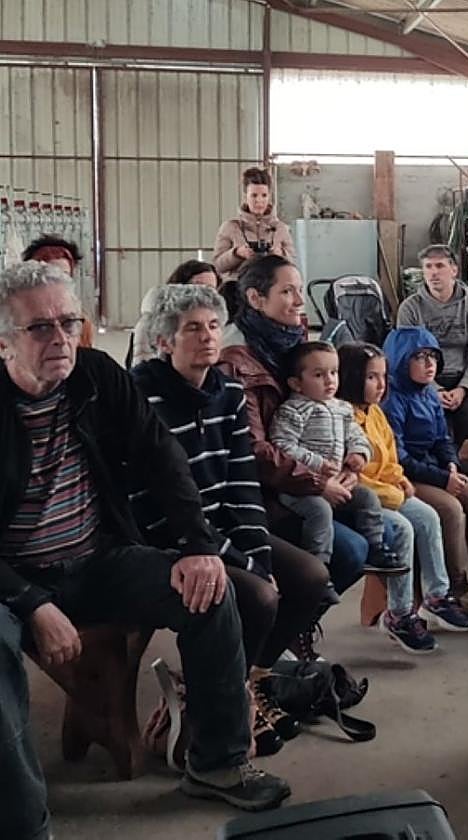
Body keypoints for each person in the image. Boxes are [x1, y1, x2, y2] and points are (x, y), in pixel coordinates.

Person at [0, 262, 290, 833]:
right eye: (40, 328)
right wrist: (31, 601)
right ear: (3, 340)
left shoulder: (95, 376)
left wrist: (198, 545)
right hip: (11, 581)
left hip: (96, 558)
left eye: (70, 322)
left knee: (213, 592)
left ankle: (217, 762)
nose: (61, 339)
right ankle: (24, 822)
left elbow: (161, 456)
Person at [130, 283, 328, 755]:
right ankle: (215, 706)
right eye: (192, 329)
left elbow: (242, 485)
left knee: (311, 578)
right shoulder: (141, 398)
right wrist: (243, 562)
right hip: (166, 539)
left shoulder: (229, 393)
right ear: (163, 340)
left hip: (220, 527)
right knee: (259, 596)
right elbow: (149, 503)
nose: (207, 337)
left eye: (214, 325)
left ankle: (238, 682)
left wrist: (256, 554)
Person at [218, 255, 369, 617]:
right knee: (349, 552)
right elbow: (253, 451)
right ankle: (281, 633)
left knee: (386, 529)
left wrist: (350, 464)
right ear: (256, 298)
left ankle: (294, 625)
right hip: (261, 492)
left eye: (300, 290)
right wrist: (318, 481)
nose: (300, 301)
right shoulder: (235, 360)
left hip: (300, 476)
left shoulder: (288, 342)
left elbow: (330, 415)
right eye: (287, 291)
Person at [336, 342, 468, 650]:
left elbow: (390, 458)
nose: (381, 384)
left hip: (389, 490)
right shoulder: (342, 419)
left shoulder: (375, 412)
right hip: (363, 501)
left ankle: (437, 596)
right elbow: (357, 477)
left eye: (383, 376)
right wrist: (394, 491)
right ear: (351, 377)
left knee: (428, 517)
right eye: (371, 377)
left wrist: (400, 479)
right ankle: (399, 613)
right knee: (402, 528)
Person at [383, 327, 468, 619]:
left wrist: (451, 465)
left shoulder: (429, 394)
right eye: (420, 357)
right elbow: (398, 457)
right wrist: (443, 479)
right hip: (406, 476)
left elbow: (442, 439)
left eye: (433, 356)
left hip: (434, 468)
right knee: (451, 509)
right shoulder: (392, 399)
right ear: (400, 359)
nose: (430, 364)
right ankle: (456, 588)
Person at [268, 341, 401, 576]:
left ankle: (376, 547)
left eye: (333, 372)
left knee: (367, 497)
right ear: (296, 383)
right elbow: (282, 446)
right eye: (319, 375)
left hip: (338, 482)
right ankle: (319, 564)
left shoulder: (342, 409)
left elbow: (357, 436)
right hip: (301, 489)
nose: (329, 380)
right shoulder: (292, 411)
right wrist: (317, 463)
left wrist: (359, 453)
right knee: (320, 511)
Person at [395, 244, 468, 482]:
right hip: (425, 381)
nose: (434, 272)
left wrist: (463, 389)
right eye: (428, 267)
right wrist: (434, 390)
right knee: (435, 435)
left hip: (464, 379)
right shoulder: (410, 308)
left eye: (440, 266)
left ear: (454, 270)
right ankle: (441, 483)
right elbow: (406, 357)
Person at [129, 259, 220, 368]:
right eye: (198, 286)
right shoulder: (152, 320)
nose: (205, 294)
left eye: (211, 289)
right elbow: (141, 363)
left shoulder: (216, 321)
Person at [212, 167, 296, 284]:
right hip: (237, 288)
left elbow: (293, 265)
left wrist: (281, 254)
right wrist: (236, 253)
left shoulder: (281, 229)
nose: (259, 201)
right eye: (254, 195)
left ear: (269, 196)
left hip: (270, 289)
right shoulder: (230, 227)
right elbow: (217, 266)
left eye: (264, 195)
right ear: (245, 196)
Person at [22, 235, 95, 348]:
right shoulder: (16, 320)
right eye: (50, 275)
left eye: (64, 276)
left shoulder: (81, 323)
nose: (59, 282)